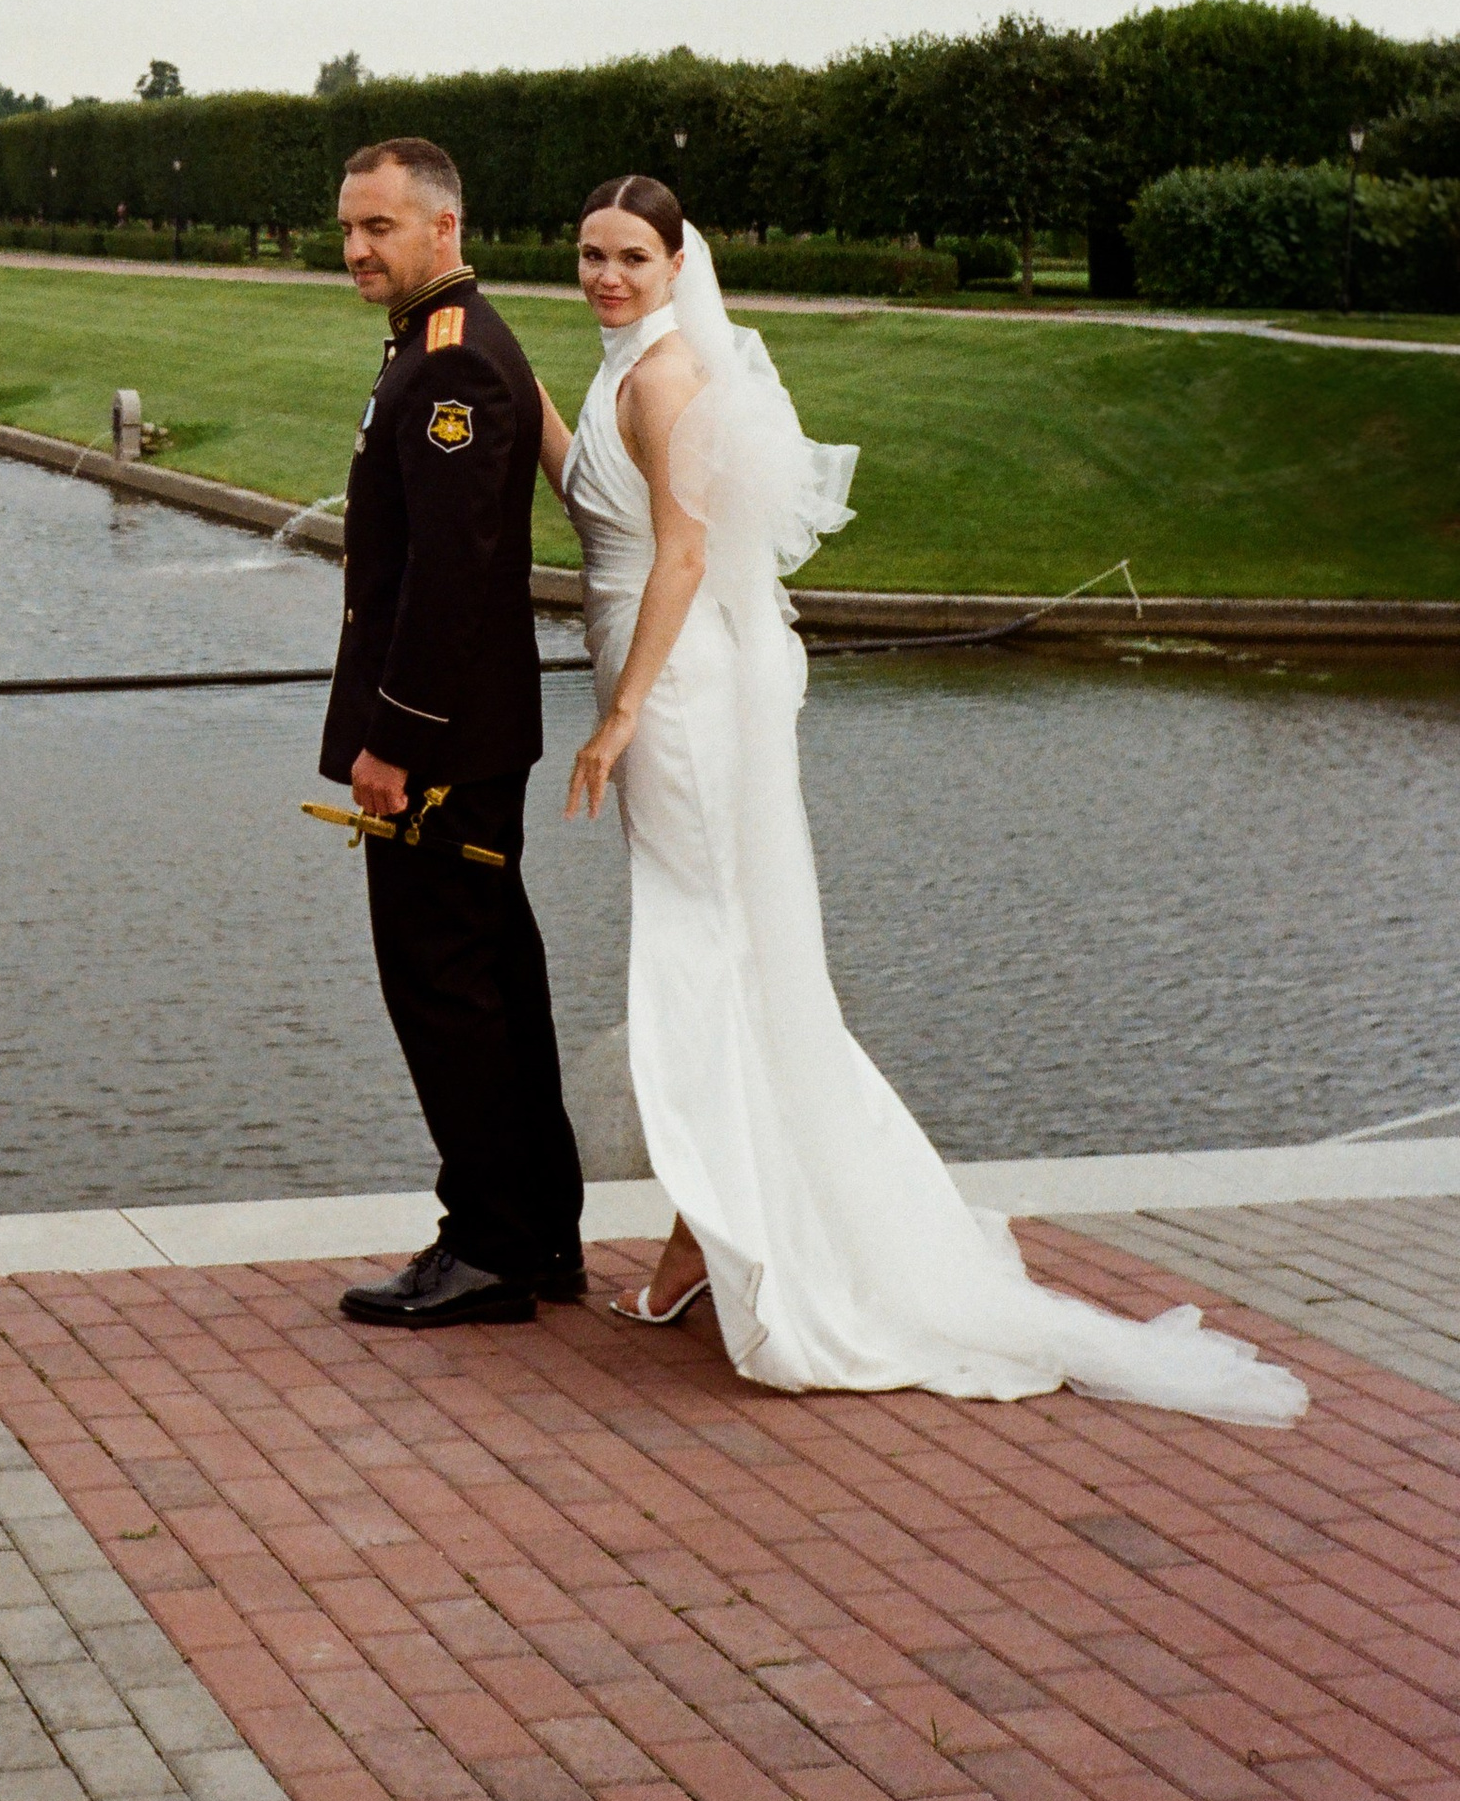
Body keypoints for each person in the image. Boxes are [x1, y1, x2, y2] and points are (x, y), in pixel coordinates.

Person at [540, 176, 1306, 1425]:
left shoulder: (666, 374)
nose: (606, 276)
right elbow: (608, 502)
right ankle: (710, 1228)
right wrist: (528, 414)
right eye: (589, 255)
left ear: (679, 262)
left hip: (674, 694)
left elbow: (680, 554)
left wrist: (621, 712)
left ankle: (730, 1236)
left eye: (630, 255)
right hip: (656, 666)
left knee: (706, 948)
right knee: (715, 952)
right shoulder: (632, 364)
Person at [323, 138, 588, 1329]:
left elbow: (450, 578)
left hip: (439, 744)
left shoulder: (450, 365)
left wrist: (393, 742)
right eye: (346, 229)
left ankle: (488, 1244)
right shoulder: (446, 341)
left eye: (378, 228)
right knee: (492, 982)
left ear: (443, 227)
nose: (355, 251)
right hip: (464, 734)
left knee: (447, 991)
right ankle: (534, 1235)